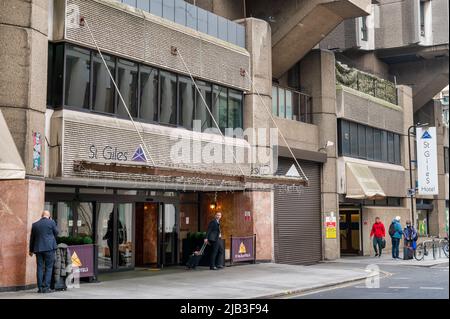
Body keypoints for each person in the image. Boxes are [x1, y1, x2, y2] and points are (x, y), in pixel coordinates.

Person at [29, 210, 59, 293]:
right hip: (49, 248)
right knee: (49, 268)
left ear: (42, 216)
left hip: (38, 249)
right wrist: (52, 221)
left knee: (39, 268)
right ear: (49, 216)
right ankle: (46, 288)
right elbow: (56, 233)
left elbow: (32, 239)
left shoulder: (35, 224)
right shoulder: (51, 222)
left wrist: (31, 250)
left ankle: (40, 288)